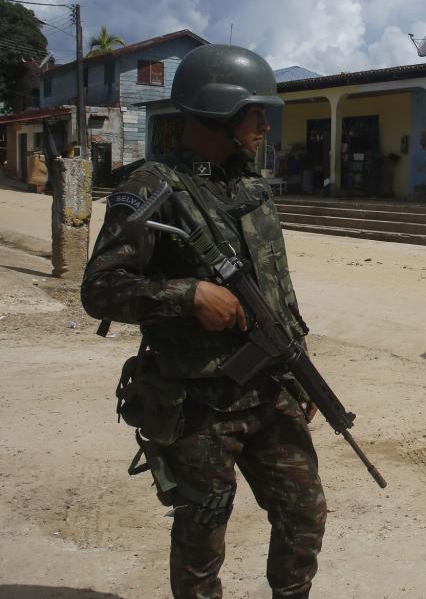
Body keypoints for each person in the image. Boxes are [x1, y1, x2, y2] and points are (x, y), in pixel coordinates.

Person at [80, 44, 327, 599]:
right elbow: (101, 290)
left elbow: (277, 291)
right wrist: (188, 294)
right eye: (255, 112)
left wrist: (299, 367)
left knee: (304, 514)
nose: (266, 123)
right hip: (199, 404)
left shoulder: (252, 188)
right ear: (220, 111)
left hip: (269, 389)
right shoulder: (151, 190)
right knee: (202, 536)